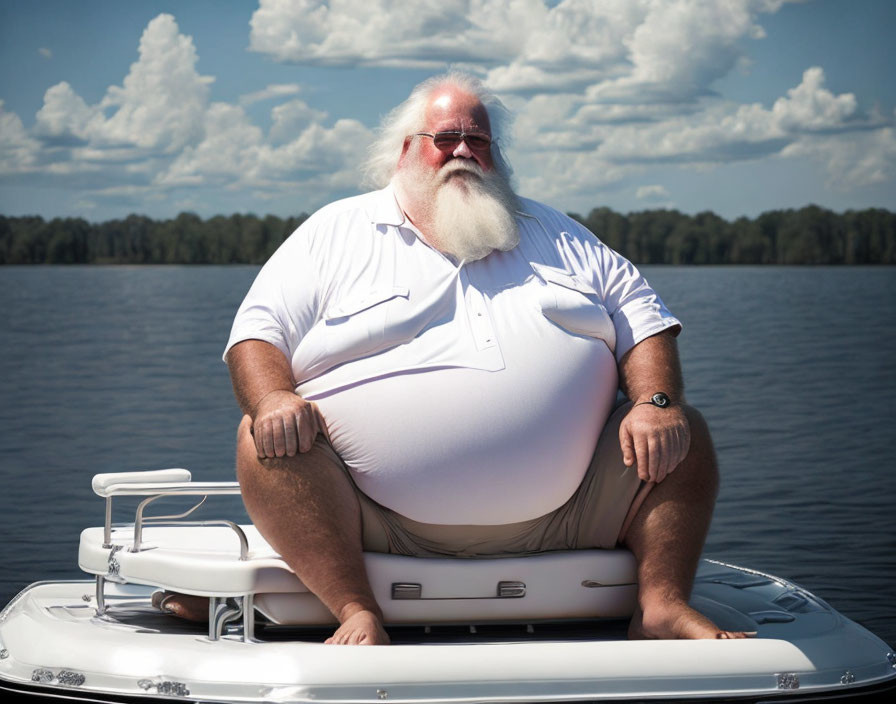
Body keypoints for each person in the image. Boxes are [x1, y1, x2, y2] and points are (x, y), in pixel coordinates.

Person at [158, 72, 753, 645]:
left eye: (479, 140)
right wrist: (273, 398)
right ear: (405, 151)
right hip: (373, 522)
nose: (463, 151)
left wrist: (655, 402)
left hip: (573, 514)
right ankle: (356, 608)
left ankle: (662, 606)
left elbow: (644, 321)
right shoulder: (334, 232)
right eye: (446, 139)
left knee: (682, 428)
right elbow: (255, 337)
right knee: (263, 436)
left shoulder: (560, 234)